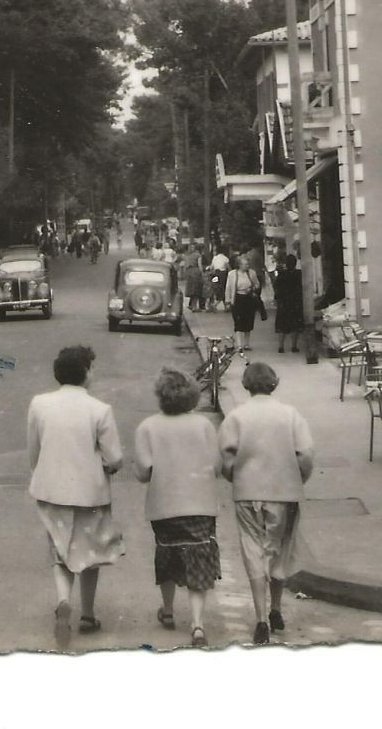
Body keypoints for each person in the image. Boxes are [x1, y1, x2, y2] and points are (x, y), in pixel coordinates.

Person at [27, 345, 125, 647]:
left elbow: (35, 449)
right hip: (90, 493)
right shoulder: (100, 410)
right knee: (89, 553)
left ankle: (62, 601)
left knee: (60, 550)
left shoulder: (39, 404)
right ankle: (88, 613)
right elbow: (115, 457)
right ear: (86, 373)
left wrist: (41, 472)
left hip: (52, 489)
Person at [219, 361, 314, 644]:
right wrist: (298, 480)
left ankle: (260, 617)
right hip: (284, 490)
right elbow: (305, 456)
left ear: (246, 385)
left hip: (248, 492)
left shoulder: (236, 417)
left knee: (253, 550)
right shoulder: (291, 415)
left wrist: (234, 476)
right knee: (279, 549)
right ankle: (276, 608)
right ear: (274, 383)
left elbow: (226, 459)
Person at [133, 368, 221, 647]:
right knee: (198, 559)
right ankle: (197, 624)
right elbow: (216, 467)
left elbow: (144, 472)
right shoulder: (204, 425)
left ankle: (168, 611)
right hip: (200, 504)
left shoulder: (147, 427)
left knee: (168, 556)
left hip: (164, 505)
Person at [226, 252, 266, 355]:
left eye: (248, 264)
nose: (247, 266)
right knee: (238, 321)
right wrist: (228, 300)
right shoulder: (232, 274)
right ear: (239, 265)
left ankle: (246, 343)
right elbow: (228, 288)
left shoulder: (251, 273)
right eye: (245, 264)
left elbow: (257, 284)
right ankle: (239, 345)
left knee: (248, 320)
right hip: (237, 298)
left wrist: (252, 288)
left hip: (248, 298)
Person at [273, 253, 305, 354]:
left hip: (284, 302)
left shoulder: (281, 274)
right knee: (295, 325)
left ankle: (280, 346)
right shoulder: (299, 274)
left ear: (286, 264)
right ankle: (294, 346)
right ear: (295, 263)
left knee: (282, 325)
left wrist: (276, 299)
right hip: (296, 302)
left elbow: (277, 288)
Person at [179, 248, 206, 312]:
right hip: (196, 272)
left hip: (189, 272)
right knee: (197, 290)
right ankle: (194, 307)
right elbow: (200, 265)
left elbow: (185, 266)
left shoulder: (189, 256)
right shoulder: (198, 255)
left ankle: (192, 305)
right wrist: (202, 273)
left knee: (192, 290)